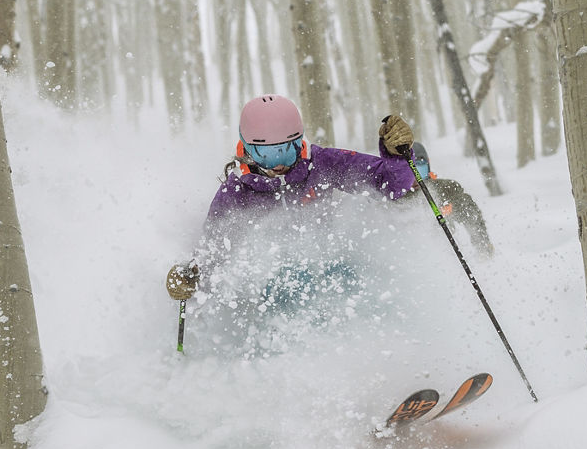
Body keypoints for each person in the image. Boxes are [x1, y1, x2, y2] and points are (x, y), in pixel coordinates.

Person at [166, 94, 418, 302]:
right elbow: (214, 254)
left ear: (300, 143)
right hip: (272, 292)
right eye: (266, 155)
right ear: (247, 149)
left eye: (286, 152)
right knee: (283, 286)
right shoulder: (236, 194)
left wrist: (397, 157)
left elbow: (392, 186)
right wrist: (191, 277)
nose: (278, 166)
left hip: (332, 274)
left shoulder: (323, 164)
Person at [408, 141, 494, 256]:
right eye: (409, 170)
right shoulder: (392, 196)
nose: (415, 177)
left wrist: (483, 245)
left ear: (428, 165)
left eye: (420, 166)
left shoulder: (445, 189)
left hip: (443, 254)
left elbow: (471, 214)